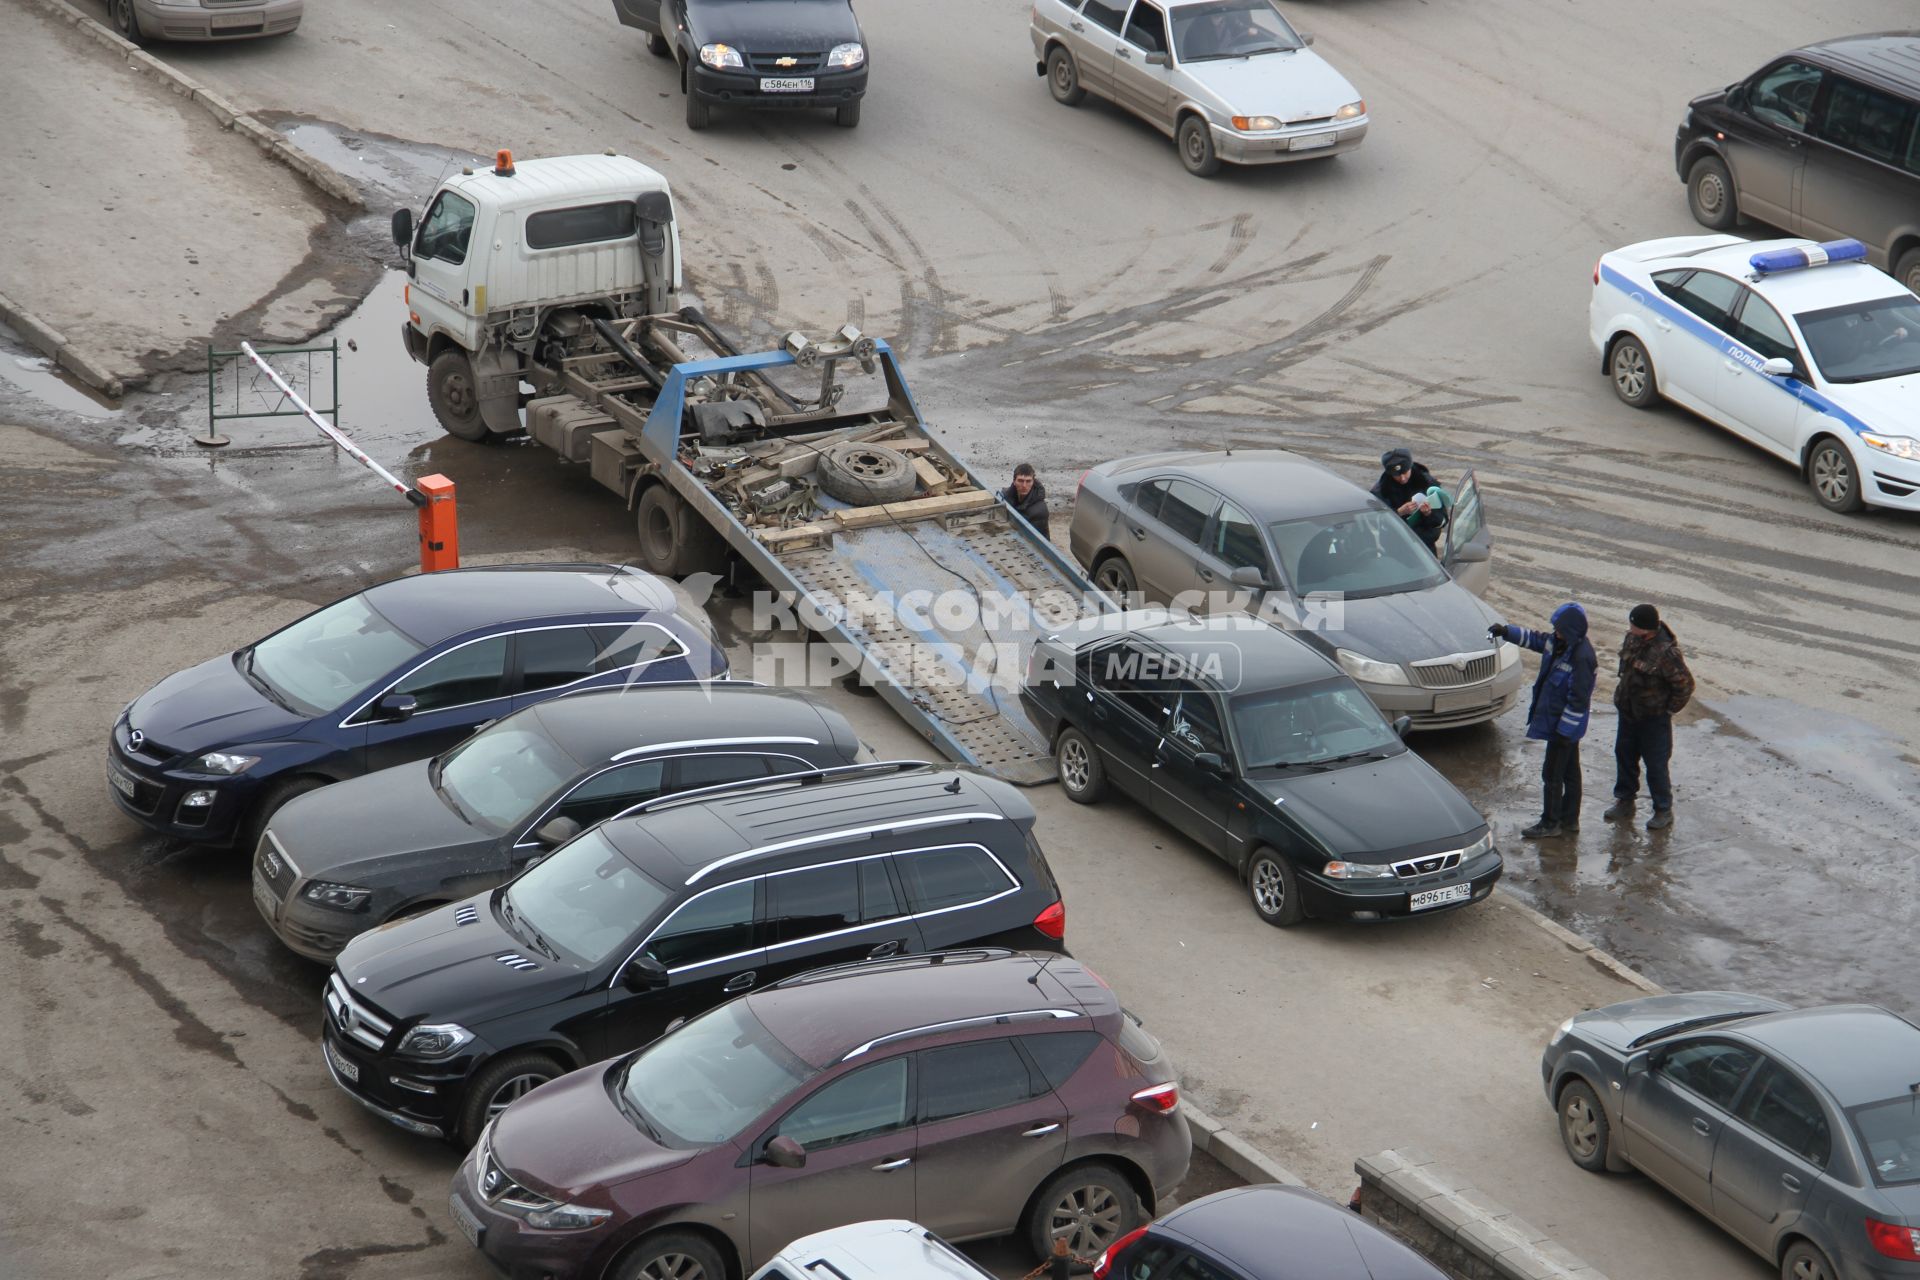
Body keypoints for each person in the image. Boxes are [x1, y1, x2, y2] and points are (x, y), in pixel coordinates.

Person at [1491, 602, 1597, 839]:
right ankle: (1569, 820)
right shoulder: (1559, 643)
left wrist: (1564, 731)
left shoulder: (1581, 658)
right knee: (1570, 773)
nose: (1555, 632)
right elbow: (1535, 639)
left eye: (1559, 628)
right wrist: (1506, 631)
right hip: (1562, 727)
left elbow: (1578, 700)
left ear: (1570, 630)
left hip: (1563, 730)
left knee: (1552, 775)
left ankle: (1550, 823)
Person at [1604, 603, 1694, 831]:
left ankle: (1663, 809)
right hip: (1628, 713)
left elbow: (1684, 685)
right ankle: (1625, 801)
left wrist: (1669, 710)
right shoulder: (1632, 639)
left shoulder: (1666, 653)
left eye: (1634, 625)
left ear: (1647, 629)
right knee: (1624, 756)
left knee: (1655, 765)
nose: (1630, 628)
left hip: (1653, 719)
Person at [1372, 447, 1447, 552]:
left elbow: (1442, 520)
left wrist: (1429, 514)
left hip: (1425, 548)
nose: (1402, 478)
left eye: (1405, 472)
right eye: (1397, 475)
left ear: (1410, 467)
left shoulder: (1428, 484)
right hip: (1396, 548)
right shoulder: (1381, 491)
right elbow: (1374, 521)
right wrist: (1398, 513)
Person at [1004, 462, 1050, 538]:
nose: (1024, 485)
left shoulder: (1040, 511)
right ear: (1014, 481)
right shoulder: (1005, 496)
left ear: (1033, 482)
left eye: (1028, 481)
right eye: (1020, 481)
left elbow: (1037, 540)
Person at [1023, 1236, 1093, 1280]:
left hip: (1061, 1259)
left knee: (1061, 1259)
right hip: (1062, 1259)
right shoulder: (1062, 1256)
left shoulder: (1059, 1256)